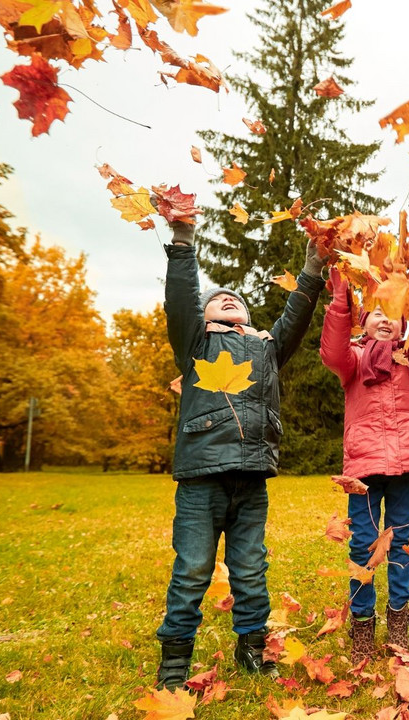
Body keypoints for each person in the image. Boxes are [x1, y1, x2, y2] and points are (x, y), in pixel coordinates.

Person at [154, 212, 326, 690]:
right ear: (204, 316)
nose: (227, 298)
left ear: (249, 317)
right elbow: (181, 301)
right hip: (201, 477)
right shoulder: (195, 345)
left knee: (251, 569)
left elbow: (294, 319)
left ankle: (252, 647)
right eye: (217, 299)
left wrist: (312, 270)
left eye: (237, 299)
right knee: (191, 570)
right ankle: (174, 660)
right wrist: (184, 241)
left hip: (250, 478)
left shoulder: (266, 350)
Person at [319, 269, 409, 659]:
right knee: (363, 544)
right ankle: (362, 626)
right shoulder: (353, 360)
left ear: (405, 321)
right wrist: (342, 293)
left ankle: (398, 622)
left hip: (406, 463)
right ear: (363, 322)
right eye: (376, 311)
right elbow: (332, 349)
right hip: (365, 467)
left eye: (393, 311)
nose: (385, 318)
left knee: (401, 542)